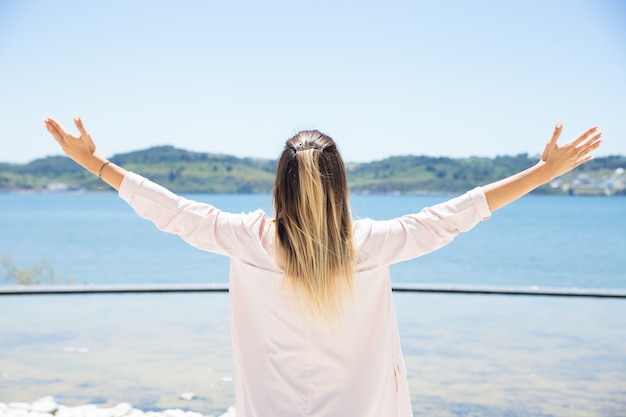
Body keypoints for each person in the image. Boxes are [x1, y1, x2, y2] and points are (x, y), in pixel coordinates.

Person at [44, 117, 602, 417]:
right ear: (340, 188)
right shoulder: (373, 245)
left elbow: (170, 210)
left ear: (280, 186)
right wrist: (542, 173)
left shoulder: (249, 241)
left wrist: (94, 163)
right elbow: (459, 213)